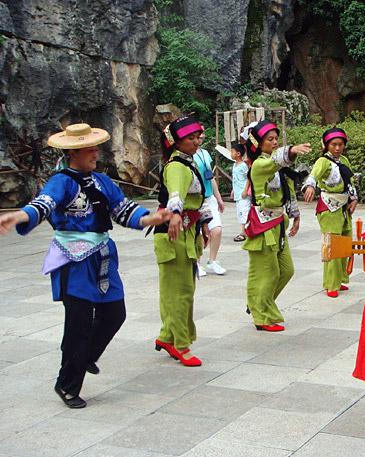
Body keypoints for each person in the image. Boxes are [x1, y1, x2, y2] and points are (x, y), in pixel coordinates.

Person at [0, 123, 170, 408]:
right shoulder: (61, 181)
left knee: (115, 313)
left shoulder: (103, 181)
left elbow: (123, 210)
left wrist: (151, 218)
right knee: (77, 324)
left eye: (94, 147)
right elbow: (43, 204)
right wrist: (19, 216)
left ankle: (87, 355)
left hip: (102, 256)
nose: (95, 153)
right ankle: (67, 384)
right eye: (89, 149)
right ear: (73, 152)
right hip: (73, 260)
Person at [154, 116, 212, 367]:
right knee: (180, 292)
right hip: (174, 232)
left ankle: (168, 336)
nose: (195, 141)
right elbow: (175, 194)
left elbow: (199, 197)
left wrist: (205, 222)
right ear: (176, 142)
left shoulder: (188, 163)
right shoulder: (176, 166)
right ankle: (181, 344)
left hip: (187, 230)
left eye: (197, 137)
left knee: (180, 288)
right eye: (190, 138)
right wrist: (176, 213)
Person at [243, 120, 311, 332]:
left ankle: (258, 303)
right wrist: (291, 150)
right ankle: (260, 315)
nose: (273, 142)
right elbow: (272, 164)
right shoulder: (259, 166)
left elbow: (287, 192)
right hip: (262, 224)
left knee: (286, 270)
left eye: (275, 139)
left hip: (278, 222)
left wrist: (295, 215)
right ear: (258, 143)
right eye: (269, 139)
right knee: (265, 271)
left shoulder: (278, 168)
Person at [302, 127, 358, 298]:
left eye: (340, 144)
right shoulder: (323, 162)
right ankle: (330, 283)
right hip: (329, 206)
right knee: (332, 245)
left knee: (344, 243)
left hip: (343, 207)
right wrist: (310, 186)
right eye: (333, 144)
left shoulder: (345, 161)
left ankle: (340, 279)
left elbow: (350, 182)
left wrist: (354, 198)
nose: (337, 148)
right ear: (326, 145)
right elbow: (313, 175)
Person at [193, 133, 226, 275]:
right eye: (198, 135)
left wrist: (219, 198)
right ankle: (197, 263)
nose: (201, 138)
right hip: (197, 198)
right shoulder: (187, 155)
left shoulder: (205, 153)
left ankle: (212, 261)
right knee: (199, 233)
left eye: (202, 135)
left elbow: (210, 176)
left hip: (209, 196)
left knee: (216, 230)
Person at [230, 143, 250, 242]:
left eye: (232, 151)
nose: (231, 153)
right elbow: (235, 179)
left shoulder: (243, 165)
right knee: (240, 214)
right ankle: (244, 231)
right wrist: (233, 190)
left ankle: (244, 233)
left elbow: (248, 178)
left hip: (243, 194)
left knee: (244, 213)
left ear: (238, 153)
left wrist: (245, 190)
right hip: (238, 193)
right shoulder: (234, 165)